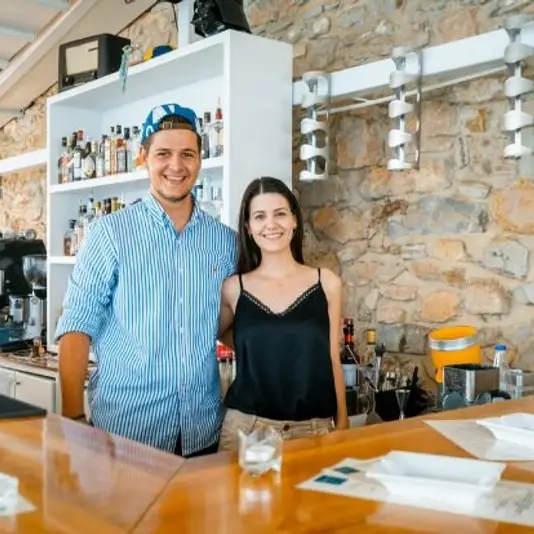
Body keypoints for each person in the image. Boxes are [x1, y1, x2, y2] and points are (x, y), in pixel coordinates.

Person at [55, 103, 237, 458]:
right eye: (163, 154)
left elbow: (226, 325)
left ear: (200, 160)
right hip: (127, 433)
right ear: (143, 157)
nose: (176, 166)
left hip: (204, 432)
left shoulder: (225, 241)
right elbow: (77, 326)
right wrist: (73, 416)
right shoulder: (110, 234)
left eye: (187, 154)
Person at [217, 176, 349, 451]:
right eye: (260, 217)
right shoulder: (233, 288)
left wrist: (343, 424)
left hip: (314, 431)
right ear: (249, 228)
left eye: (279, 214)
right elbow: (217, 335)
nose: (271, 225)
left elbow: (332, 357)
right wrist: (265, 347)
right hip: (246, 430)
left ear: (294, 220)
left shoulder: (327, 283)